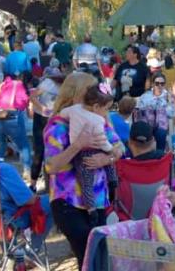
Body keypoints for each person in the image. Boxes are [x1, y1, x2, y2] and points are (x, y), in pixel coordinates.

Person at [44, 71, 119, 267]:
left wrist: (106, 158)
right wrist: (77, 145)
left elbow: (119, 147)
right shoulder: (58, 126)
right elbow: (51, 166)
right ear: (77, 94)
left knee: (98, 257)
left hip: (97, 200)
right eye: (91, 89)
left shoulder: (98, 117)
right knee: (87, 256)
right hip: (69, 202)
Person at [56, 85, 122, 208]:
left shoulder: (74, 110)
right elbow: (104, 142)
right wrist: (111, 151)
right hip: (71, 195)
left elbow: (62, 113)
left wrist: (109, 159)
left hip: (80, 155)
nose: (107, 112)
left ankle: (91, 208)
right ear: (96, 106)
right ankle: (112, 181)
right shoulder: (98, 120)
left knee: (86, 182)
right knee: (88, 181)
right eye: (107, 109)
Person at [30, 66, 65, 190]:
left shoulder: (68, 86)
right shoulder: (48, 83)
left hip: (56, 120)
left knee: (53, 151)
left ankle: (50, 185)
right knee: (39, 151)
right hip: (41, 118)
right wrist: (42, 108)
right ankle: (33, 183)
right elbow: (33, 96)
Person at [0, 75, 32, 174]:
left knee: (0, 145)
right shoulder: (21, 85)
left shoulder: (4, 83)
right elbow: (28, 111)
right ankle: (27, 171)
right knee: (24, 146)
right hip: (12, 116)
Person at [136, 72, 175, 150]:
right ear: (153, 84)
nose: (159, 86)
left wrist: (168, 102)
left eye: (162, 83)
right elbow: (139, 110)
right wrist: (149, 107)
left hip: (161, 126)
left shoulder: (167, 96)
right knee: (142, 133)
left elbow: (172, 114)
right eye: (157, 83)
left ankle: (159, 156)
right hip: (147, 124)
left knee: (161, 133)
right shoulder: (146, 96)